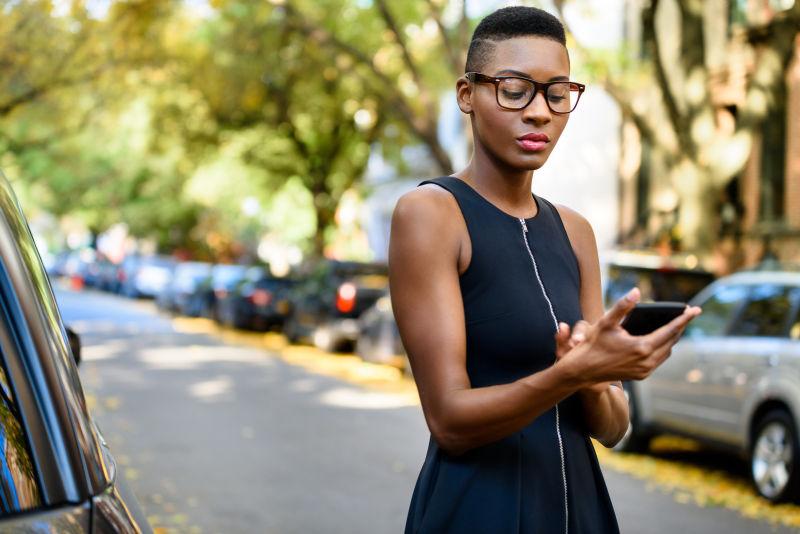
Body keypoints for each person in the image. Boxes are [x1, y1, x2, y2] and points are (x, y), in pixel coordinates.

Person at [388, 6, 702, 534]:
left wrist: (602, 374)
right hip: (476, 511)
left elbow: (614, 427)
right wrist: (570, 374)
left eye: (557, 93)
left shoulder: (576, 231)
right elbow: (449, 422)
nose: (539, 112)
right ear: (468, 95)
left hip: (578, 510)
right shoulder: (432, 213)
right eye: (515, 89)